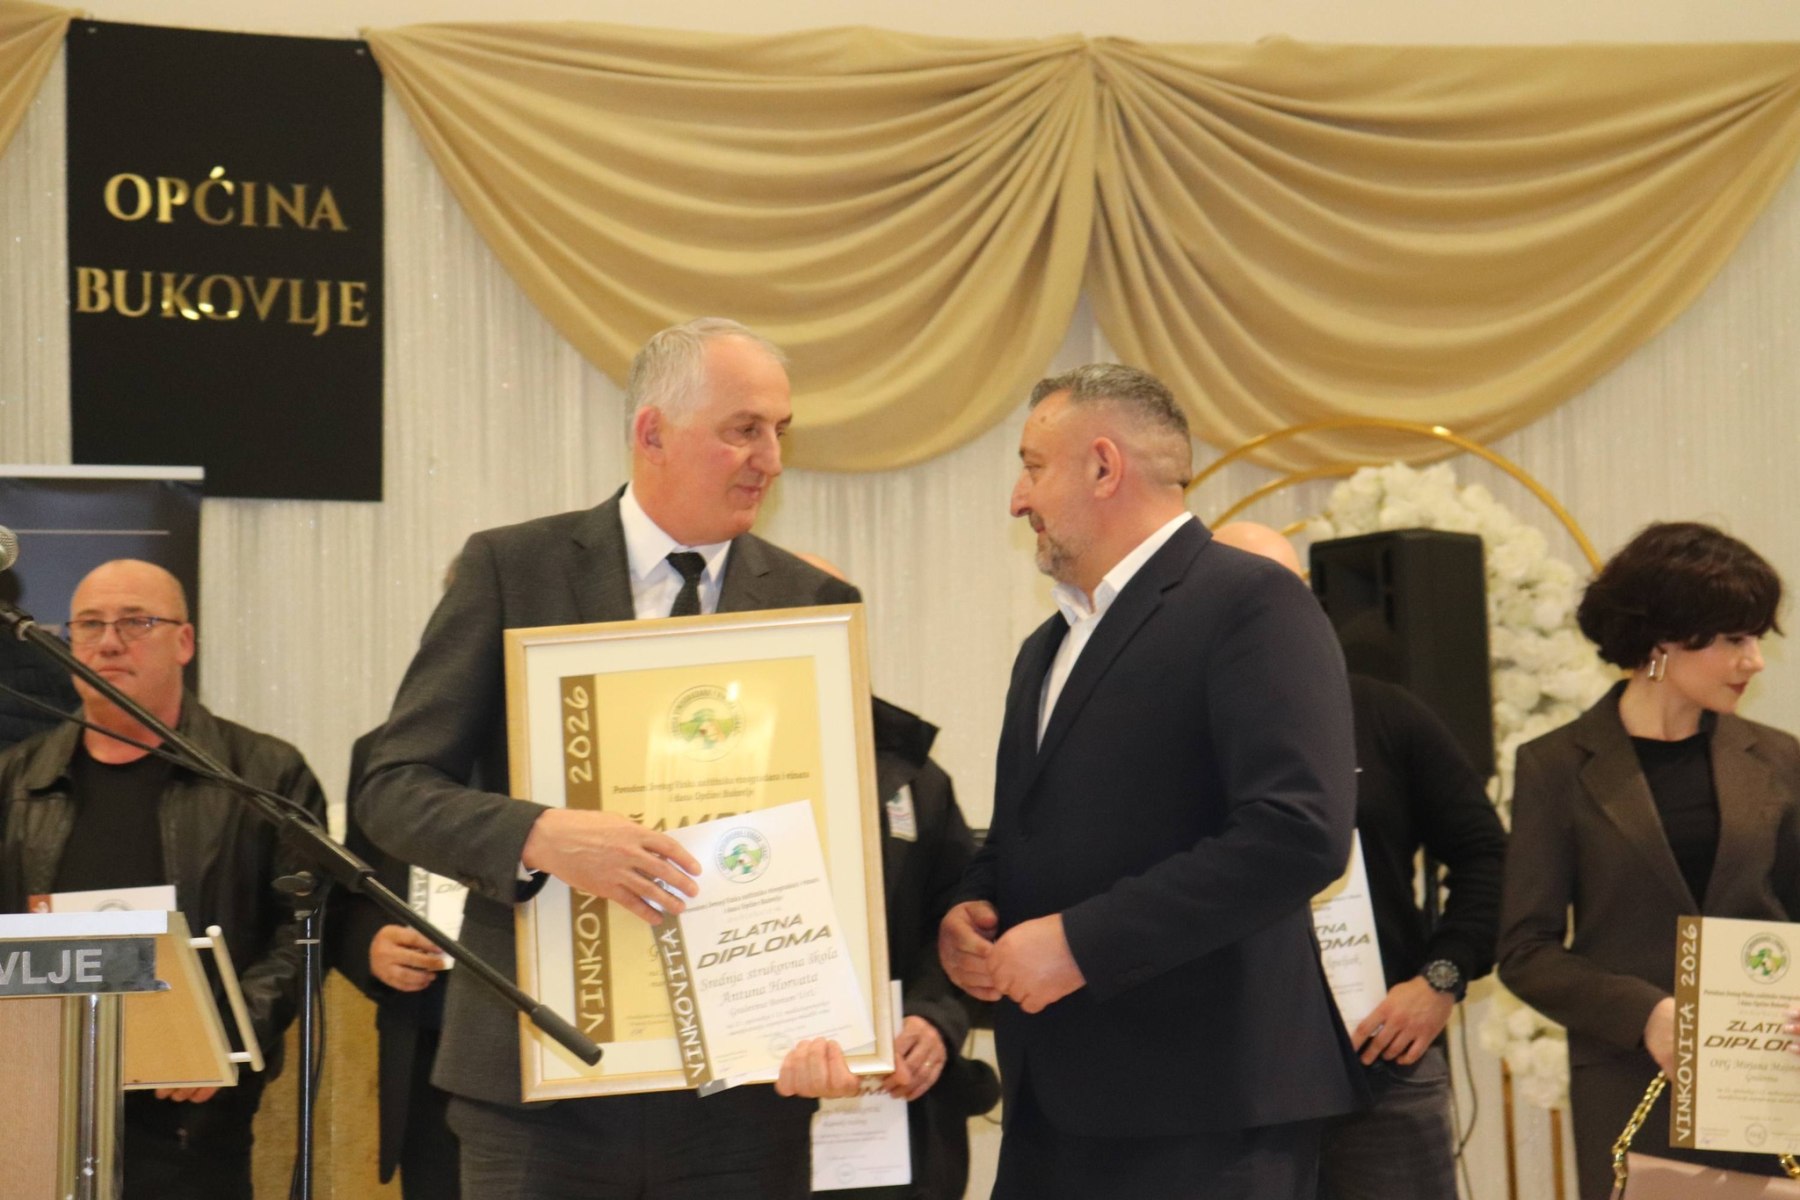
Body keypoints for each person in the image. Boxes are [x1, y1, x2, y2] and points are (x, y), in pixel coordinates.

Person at [357, 317, 862, 1199]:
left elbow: (834, 834)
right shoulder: (512, 568)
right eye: (744, 429)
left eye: (781, 431)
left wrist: (832, 1018)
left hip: (742, 1103)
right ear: (652, 432)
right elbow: (394, 788)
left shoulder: (814, 603)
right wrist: (538, 835)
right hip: (539, 1089)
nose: (772, 460)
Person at [937, 364, 1366, 1200]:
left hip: (1204, 1116)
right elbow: (1029, 829)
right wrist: (973, 907)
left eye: (1032, 467)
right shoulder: (1045, 648)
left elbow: (1298, 833)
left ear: (1104, 466)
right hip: (1054, 1108)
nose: (1018, 500)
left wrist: (1078, 944)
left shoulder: (1251, 601)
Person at [0, 558, 326, 1200]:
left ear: (184, 641)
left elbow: (305, 933)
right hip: (40, 1106)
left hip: (192, 1117)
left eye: (135, 622)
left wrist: (223, 1034)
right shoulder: (14, 780)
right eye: (89, 625)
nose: (109, 642)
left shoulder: (261, 775)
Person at [1497, 520, 1799, 1199]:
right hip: (1631, 1082)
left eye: (1757, 638)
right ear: (1664, 639)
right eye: (1735, 639)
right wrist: (1647, 1016)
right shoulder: (1555, 766)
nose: (1755, 661)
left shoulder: (1781, 759)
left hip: (1771, 1083)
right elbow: (1525, 950)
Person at [1212, 521, 1508, 1200]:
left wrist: (1440, 979)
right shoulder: (1170, 735)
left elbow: (1486, 855)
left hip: (1380, 1068)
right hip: (1227, 1083)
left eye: (1287, 590)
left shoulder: (1385, 714)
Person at [327, 723, 460, 1199]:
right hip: (429, 1057)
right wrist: (371, 944)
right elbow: (352, 896)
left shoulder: (563, 731)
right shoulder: (381, 751)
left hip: (554, 1060)